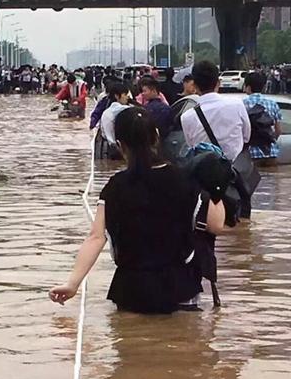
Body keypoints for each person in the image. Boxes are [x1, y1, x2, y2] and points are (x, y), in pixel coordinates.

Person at [49, 107, 225, 314]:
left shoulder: (115, 186)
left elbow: (96, 238)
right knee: (181, 341)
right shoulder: (186, 180)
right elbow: (216, 225)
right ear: (157, 137)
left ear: (120, 145)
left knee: (131, 340)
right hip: (180, 287)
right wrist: (216, 191)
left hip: (129, 290)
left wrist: (72, 284)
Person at [181, 61, 251, 163]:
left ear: (194, 86)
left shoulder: (187, 117)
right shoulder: (237, 105)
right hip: (235, 172)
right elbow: (246, 137)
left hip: (205, 173)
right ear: (218, 83)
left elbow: (192, 145)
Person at [243, 72, 282, 166]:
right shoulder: (273, 104)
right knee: (271, 179)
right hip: (271, 153)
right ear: (263, 87)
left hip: (251, 154)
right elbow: (279, 130)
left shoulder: (242, 104)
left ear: (248, 87)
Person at [100, 83, 131, 157]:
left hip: (111, 148)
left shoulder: (106, 113)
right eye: (125, 94)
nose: (128, 97)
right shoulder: (127, 110)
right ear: (117, 96)